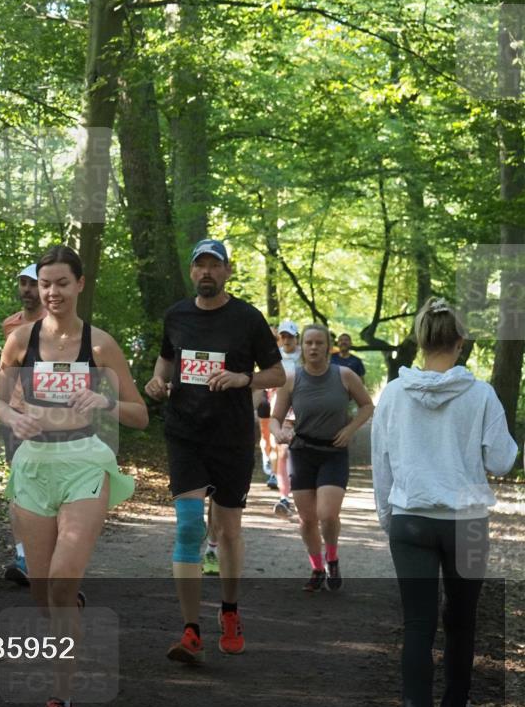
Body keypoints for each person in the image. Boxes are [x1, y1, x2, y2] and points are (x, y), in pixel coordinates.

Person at [0, 245, 148, 707]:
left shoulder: (100, 346)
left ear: (80, 285)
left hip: (85, 461)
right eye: (45, 284)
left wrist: (104, 399)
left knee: (61, 580)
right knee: (45, 593)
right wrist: (14, 416)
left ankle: (61, 700)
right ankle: (69, 617)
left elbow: (140, 414)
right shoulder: (19, 340)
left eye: (62, 283)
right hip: (34, 466)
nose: (52, 292)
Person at [372, 297, 517, 707]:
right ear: (461, 341)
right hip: (468, 522)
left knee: (418, 624)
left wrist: (387, 516)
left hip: (411, 518)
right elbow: (503, 461)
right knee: (462, 622)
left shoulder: (394, 394)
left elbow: (382, 461)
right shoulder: (482, 394)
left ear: (420, 340)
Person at [145, 238, 284, 663]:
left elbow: (276, 371)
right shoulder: (177, 315)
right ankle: (190, 630)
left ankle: (229, 611)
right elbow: (166, 362)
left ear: (227, 271)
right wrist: (156, 383)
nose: (206, 272)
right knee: (189, 527)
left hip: (231, 437)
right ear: (192, 272)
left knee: (227, 531)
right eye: (199, 265)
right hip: (185, 432)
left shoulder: (247, 318)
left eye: (214, 265)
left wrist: (244, 380)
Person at [269, 323, 374, 592]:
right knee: (307, 519)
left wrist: (350, 430)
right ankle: (317, 567)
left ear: (329, 346)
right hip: (302, 452)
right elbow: (275, 419)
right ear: (302, 347)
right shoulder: (291, 378)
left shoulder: (345, 375)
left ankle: (333, 558)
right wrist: (279, 432)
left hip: (333, 453)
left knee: (327, 514)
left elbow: (367, 406)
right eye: (309, 343)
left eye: (319, 343)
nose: (313, 347)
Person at [0, 263, 46, 586]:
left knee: (45, 487)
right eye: (23, 283)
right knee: (19, 485)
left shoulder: (56, 324)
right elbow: (10, 363)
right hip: (14, 414)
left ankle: (47, 553)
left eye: (33, 284)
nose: (27, 290)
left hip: (50, 417)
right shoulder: (10, 325)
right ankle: (23, 556)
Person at [272, 319, 301, 518]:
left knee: (300, 452)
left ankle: (303, 495)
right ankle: (284, 497)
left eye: (290, 336)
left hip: (304, 407)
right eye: (283, 336)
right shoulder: (274, 357)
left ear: (296, 338)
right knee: (282, 452)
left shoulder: (305, 355)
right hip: (282, 408)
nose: (286, 339)